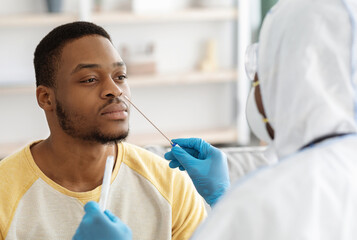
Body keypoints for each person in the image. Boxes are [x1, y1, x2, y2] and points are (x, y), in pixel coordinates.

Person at [73, 0, 357, 239]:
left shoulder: (262, 201)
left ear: (286, 78)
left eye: (258, 72)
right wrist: (222, 198)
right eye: (88, 79)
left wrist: (230, 204)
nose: (114, 89)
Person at [0, 21, 206, 240]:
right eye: (90, 79)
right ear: (46, 98)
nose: (114, 90)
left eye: (120, 77)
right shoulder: (4, 193)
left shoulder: (171, 186)